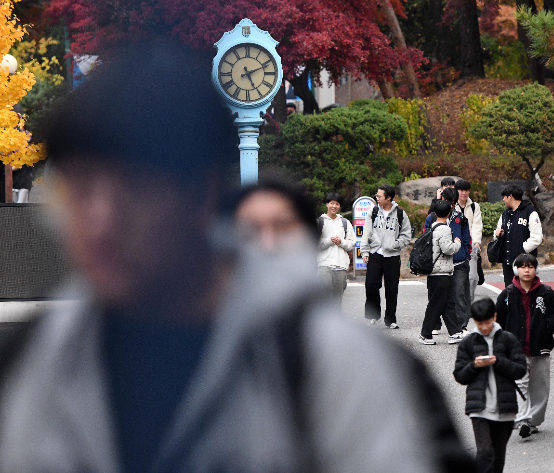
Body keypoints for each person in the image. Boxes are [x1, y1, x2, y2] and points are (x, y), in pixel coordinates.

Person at [0, 41, 476, 473]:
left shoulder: (330, 367)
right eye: (79, 191)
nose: (100, 223)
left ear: (202, 194)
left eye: (132, 191)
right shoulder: (32, 366)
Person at [495, 254, 554, 438]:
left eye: (530, 267)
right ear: (516, 270)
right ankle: (524, 419)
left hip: (540, 348)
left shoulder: (547, 293)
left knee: (540, 387)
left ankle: (533, 421)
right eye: (522, 266)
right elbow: (498, 320)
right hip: (516, 350)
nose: (526, 270)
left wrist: (544, 327)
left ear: (536, 270)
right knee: (520, 384)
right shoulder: (507, 294)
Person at [454, 298, 527, 473]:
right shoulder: (468, 343)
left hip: (505, 407)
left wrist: (498, 361)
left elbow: (520, 369)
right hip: (479, 407)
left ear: (494, 317)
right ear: (474, 321)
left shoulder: (508, 339)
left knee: (498, 456)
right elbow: (459, 375)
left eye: (488, 322)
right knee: (485, 451)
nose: (485, 327)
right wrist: (474, 365)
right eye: (480, 324)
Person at [362, 184, 412, 329]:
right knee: (371, 285)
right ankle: (372, 315)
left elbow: (406, 235)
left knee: (391, 289)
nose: (376, 198)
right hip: (375, 253)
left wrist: (395, 244)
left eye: (379, 196)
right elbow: (366, 233)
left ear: (388, 198)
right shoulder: (373, 211)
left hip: (392, 256)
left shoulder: (400, 214)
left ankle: (390, 319)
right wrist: (365, 252)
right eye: (376, 195)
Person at [424, 187, 472, 334]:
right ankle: (434, 325)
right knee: (437, 296)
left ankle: (461, 326)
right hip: (439, 264)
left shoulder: (460, 217)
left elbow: (466, 237)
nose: (451, 206)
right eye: (448, 202)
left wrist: (466, 254)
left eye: (453, 203)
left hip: (458, 261)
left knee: (459, 295)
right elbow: (426, 239)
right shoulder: (432, 217)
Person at [419, 200, 464, 345]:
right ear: (449, 212)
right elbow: (447, 249)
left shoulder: (432, 226)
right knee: (436, 305)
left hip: (437, 272)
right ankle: (425, 335)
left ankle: (455, 332)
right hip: (441, 273)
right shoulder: (444, 229)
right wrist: (457, 243)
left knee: (448, 303)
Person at [493, 185, 543, 286]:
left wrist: (521, 249)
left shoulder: (530, 212)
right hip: (507, 261)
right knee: (510, 289)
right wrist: (497, 234)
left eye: (504, 197)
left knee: (526, 289)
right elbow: (496, 232)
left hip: (525, 262)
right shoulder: (505, 214)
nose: (503, 200)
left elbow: (537, 237)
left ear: (510, 196)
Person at [316, 193, 355, 305]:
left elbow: (352, 243)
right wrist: (329, 240)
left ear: (339, 206)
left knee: (337, 299)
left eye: (337, 204)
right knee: (324, 295)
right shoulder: (320, 222)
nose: (334, 206)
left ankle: (335, 320)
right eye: (332, 203)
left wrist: (341, 242)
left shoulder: (345, 223)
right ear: (327, 204)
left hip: (341, 265)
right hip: (324, 264)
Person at [455, 179, 483, 303]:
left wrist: (477, 241)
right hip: (454, 248)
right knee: (457, 279)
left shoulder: (474, 206)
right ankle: (458, 305)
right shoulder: (451, 205)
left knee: (472, 277)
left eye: (466, 190)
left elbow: (477, 225)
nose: (464, 193)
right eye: (461, 190)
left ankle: (468, 305)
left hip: (470, 247)